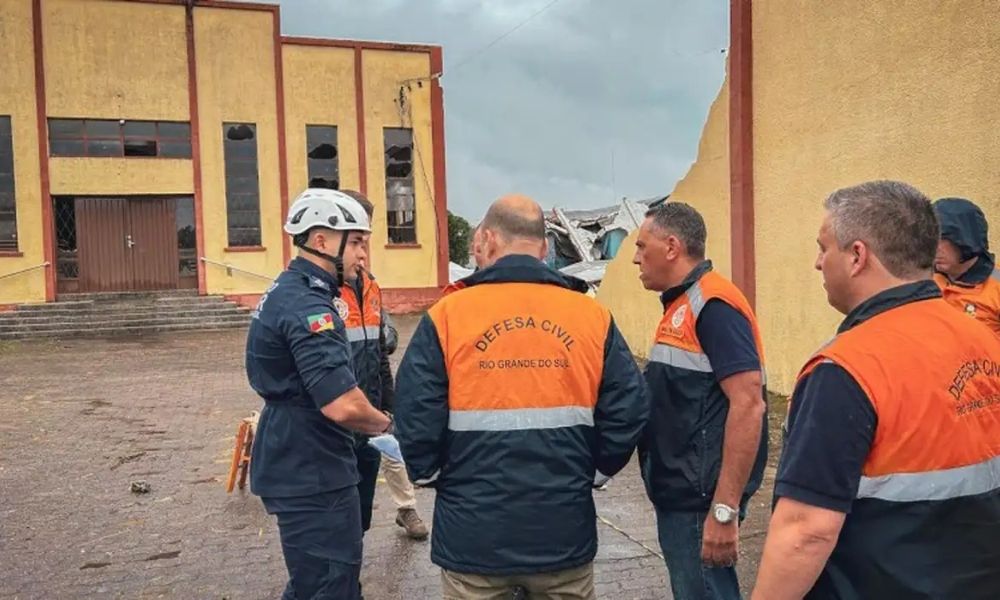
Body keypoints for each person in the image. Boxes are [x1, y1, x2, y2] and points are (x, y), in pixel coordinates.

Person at [752, 180, 1000, 599]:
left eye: (823, 248)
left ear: (857, 256)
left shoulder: (845, 369)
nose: (817, 263)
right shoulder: (980, 339)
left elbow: (806, 532)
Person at [394, 194, 649, 599]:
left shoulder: (447, 315)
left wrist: (430, 475)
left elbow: (414, 410)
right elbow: (629, 406)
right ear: (544, 248)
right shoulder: (591, 315)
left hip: (473, 536)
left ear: (488, 240)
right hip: (562, 532)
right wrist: (597, 470)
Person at [245, 188, 393, 600]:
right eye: (357, 242)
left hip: (302, 455)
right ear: (322, 240)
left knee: (316, 583)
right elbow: (342, 404)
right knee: (330, 584)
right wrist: (389, 426)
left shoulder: (293, 289)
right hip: (311, 465)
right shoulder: (309, 306)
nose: (363, 254)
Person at [632, 201, 767, 600]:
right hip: (684, 491)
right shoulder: (684, 304)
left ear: (672, 247)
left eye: (641, 246)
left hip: (701, 498)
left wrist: (724, 509)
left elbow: (749, 403)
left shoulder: (713, 305)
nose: (636, 258)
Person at [339, 189, 428, 540]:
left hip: (372, 396)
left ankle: (406, 508)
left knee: (390, 446)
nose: (363, 248)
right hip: (340, 406)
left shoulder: (370, 285)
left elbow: (379, 349)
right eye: (355, 239)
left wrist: (388, 401)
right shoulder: (319, 291)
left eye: (365, 237)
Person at [932, 196, 1000, 334]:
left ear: (965, 239)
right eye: (929, 238)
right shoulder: (923, 278)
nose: (933, 247)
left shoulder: (995, 287)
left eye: (942, 239)